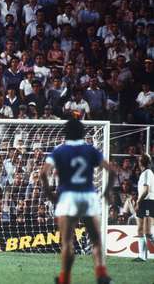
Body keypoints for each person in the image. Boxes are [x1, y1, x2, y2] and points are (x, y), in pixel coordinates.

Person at [40, 119, 116, 284]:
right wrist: (107, 191)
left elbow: (43, 173)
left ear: (65, 133)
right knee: (96, 240)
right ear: (83, 133)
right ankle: (101, 275)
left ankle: (65, 279)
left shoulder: (59, 151)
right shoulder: (90, 150)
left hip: (67, 198)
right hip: (88, 196)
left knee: (67, 242)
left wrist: (49, 194)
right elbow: (111, 170)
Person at [133, 154, 154, 261]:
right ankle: (142, 256)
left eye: (140, 160)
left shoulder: (147, 173)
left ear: (142, 162)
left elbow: (146, 190)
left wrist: (138, 202)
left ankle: (143, 256)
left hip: (147, 202)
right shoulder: (143, 173)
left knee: (148, 233)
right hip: (143, 202)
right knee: (140, 229)